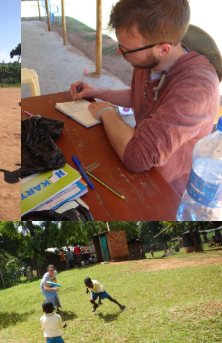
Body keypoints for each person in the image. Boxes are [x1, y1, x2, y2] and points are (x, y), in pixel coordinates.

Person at [70, 0, 220, 196]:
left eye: (126, 49)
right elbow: (138, 96)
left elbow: (137, 157)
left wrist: (108, 112)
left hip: (166, 188)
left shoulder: (196, 88)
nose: (118, 52)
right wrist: (96, 92)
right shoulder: (151, 59)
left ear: (163, 49)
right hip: (139, 161)